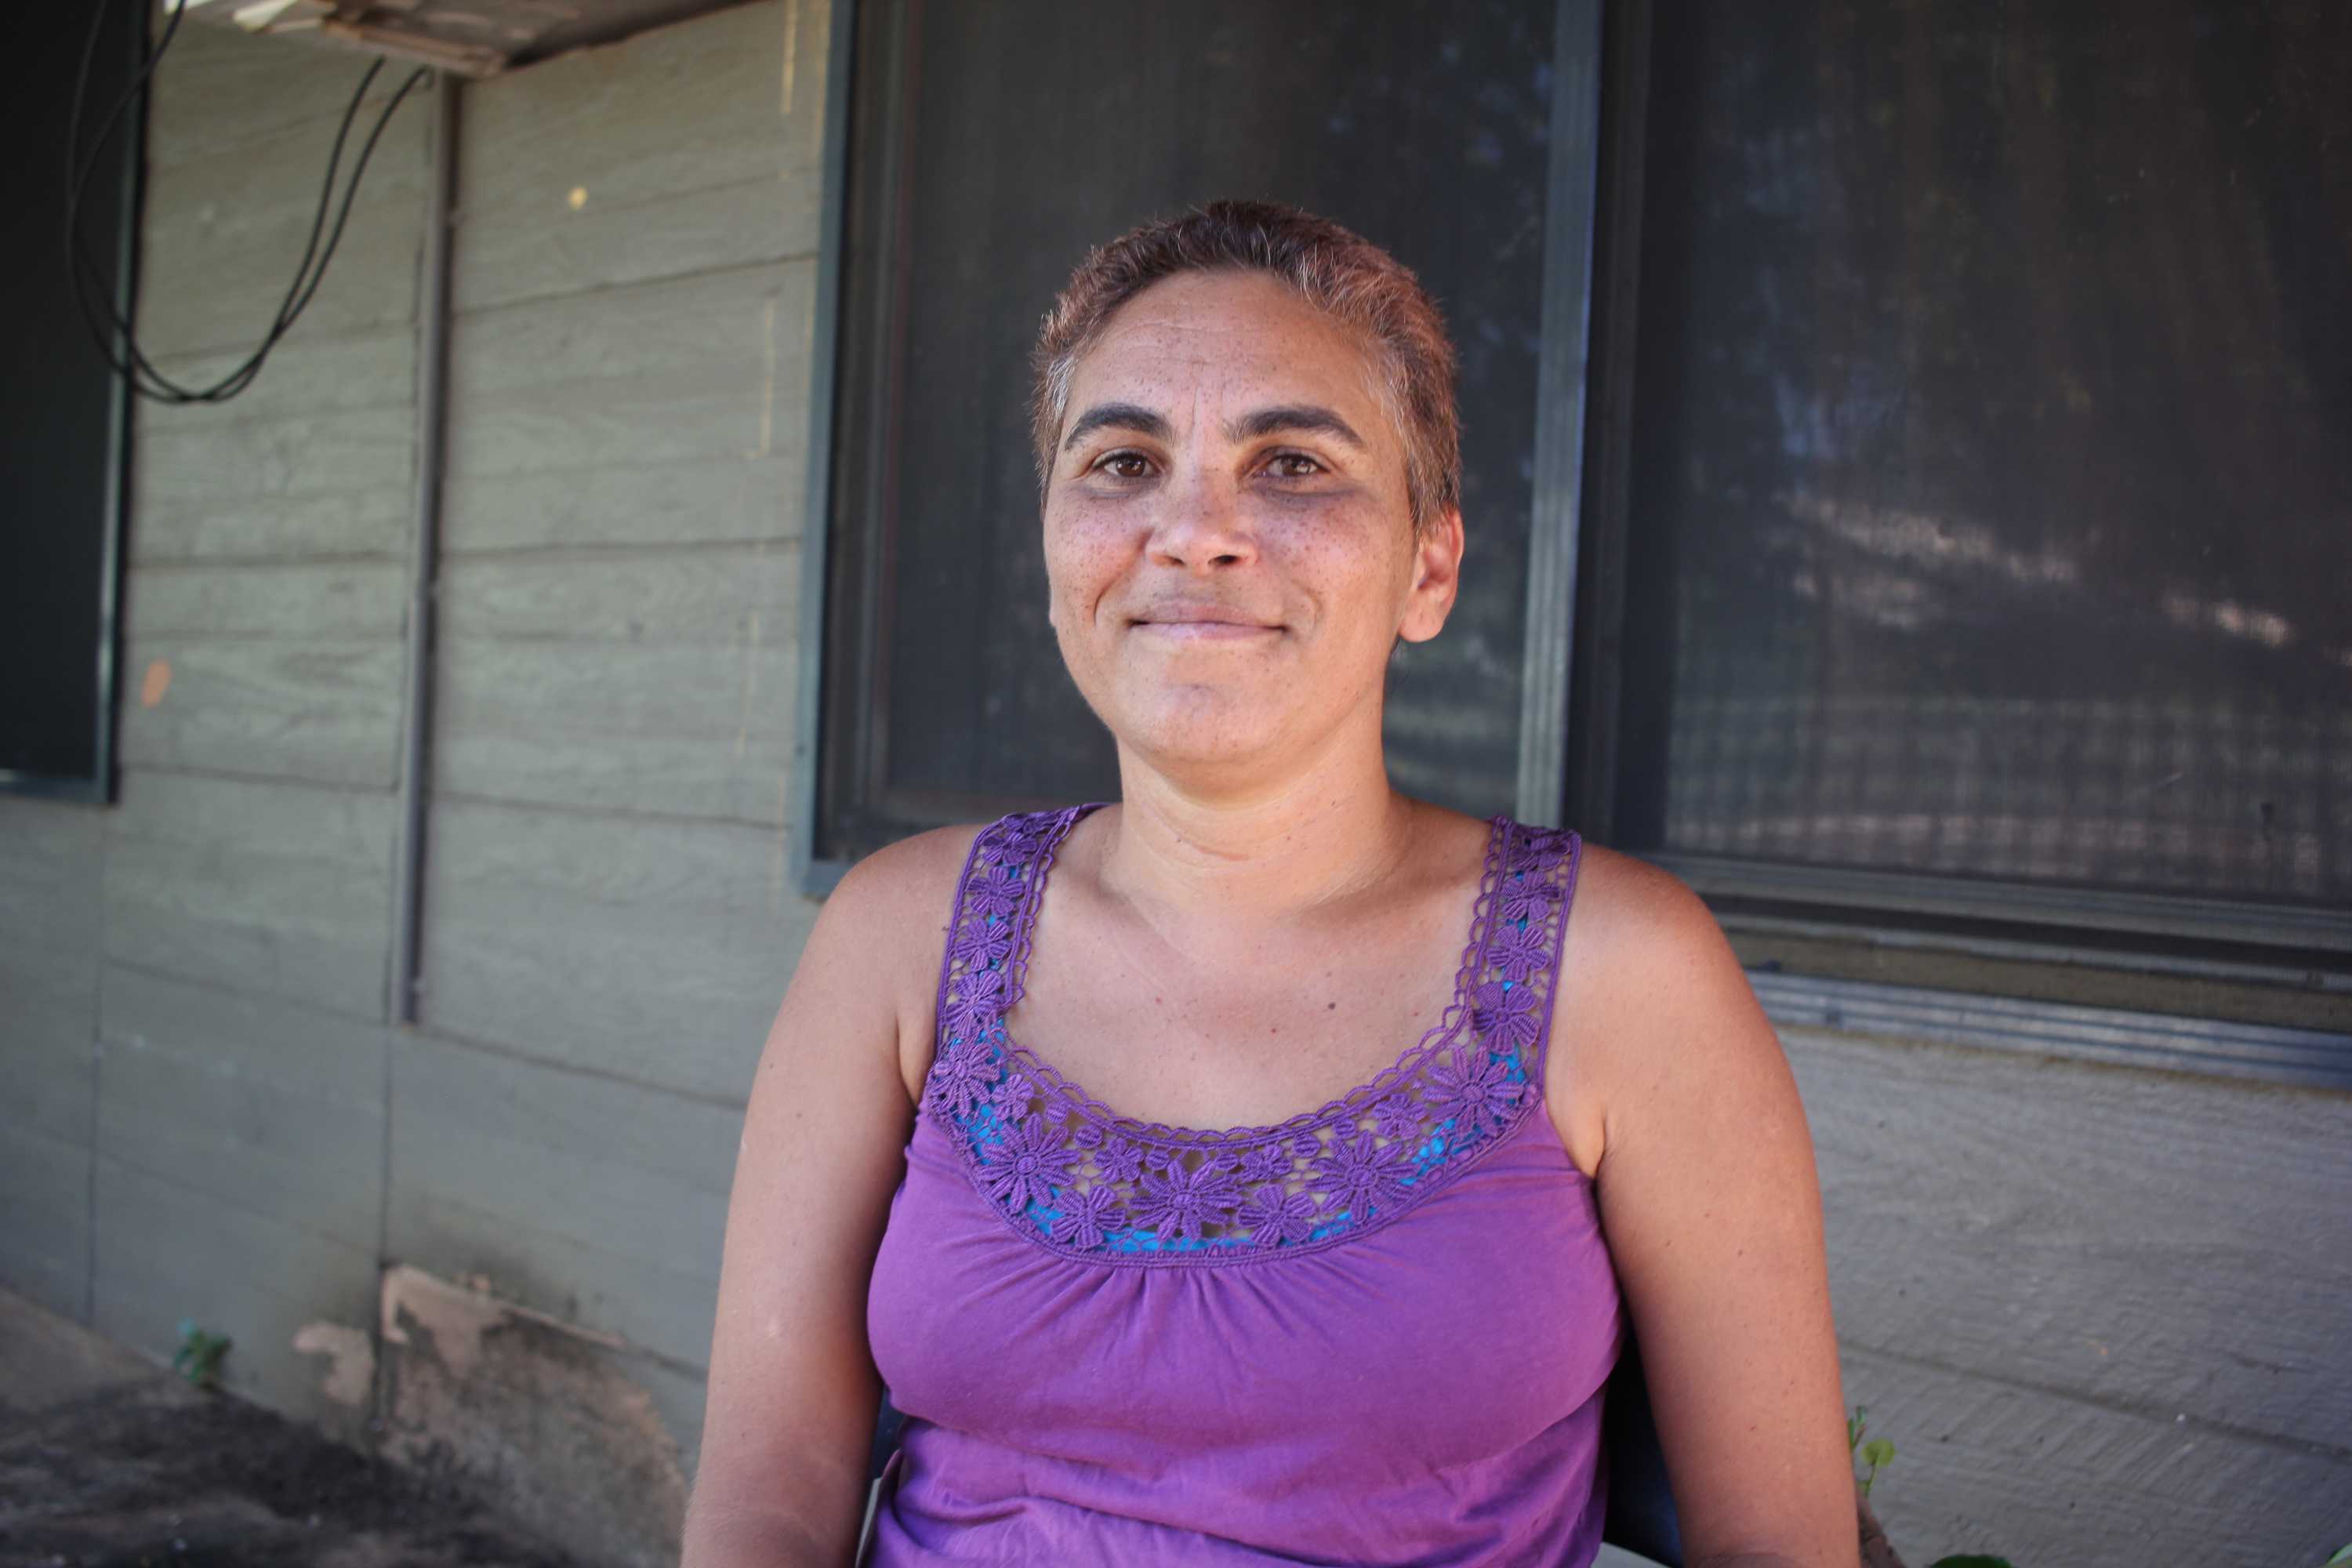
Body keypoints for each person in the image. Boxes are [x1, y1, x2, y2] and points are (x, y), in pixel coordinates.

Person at [681, 200, 1859, 1568]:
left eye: (1292, 462)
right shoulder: (901, 937)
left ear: (1430, 566)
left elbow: (1779, 1544)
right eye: (1123, 461)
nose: (1195, 531)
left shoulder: (1624, 970)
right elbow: (771, 1488)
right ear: (1056, 552)